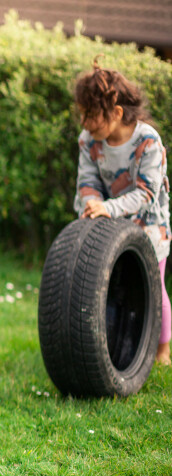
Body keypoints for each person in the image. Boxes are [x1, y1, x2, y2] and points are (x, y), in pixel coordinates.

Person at [73, 57, 171, 365]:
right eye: (82, 115)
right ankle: (115, 347)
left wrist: (108, 207)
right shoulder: (89, 141)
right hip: (108, 227)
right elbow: (87, 181)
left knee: (153, 289)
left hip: (148, 226)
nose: (85, 123)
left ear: (116, 113)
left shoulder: (147, 142)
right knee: (110, 286)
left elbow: (145, 193)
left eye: (91, 116)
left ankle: (162, 350)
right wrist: (90, 204)